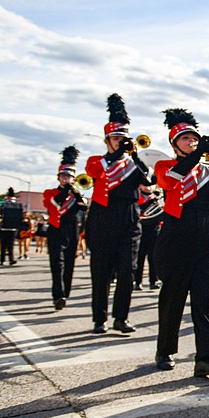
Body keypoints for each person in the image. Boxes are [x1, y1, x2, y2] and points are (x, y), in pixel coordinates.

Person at [153, 108, 209, 376]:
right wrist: (195, 155)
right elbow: (171, 180)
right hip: (175, 237)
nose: (191, 142)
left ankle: (205, 358)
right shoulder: (165, 166)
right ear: (174, 143)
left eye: (194, 138)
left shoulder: (208, 170)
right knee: (173, 298)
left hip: (205, 239)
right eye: (185, 139)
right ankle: (165, 350)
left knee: (204, 301)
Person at [84, 94, 151, 335]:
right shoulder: (98, 161)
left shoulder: (133, 163)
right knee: (101, 271)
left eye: (123, 138)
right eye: (116, 138)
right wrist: (115, 155)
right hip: (103, 217)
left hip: (129, 217)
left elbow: (148, 180)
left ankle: (120, 318)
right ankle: (99, 318)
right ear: (107, 140)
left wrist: (133, 155)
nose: (120, 141)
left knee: (127, 271)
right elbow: (93, 172)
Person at [42, 146, 86, 310]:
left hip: (72, 229)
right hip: (56, 229)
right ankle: (58, 295)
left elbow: (83, 208)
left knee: (69, 263)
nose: (65, 178)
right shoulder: (50, 192)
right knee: (57, 263)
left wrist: (76, 193)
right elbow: (54, 204)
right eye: (63, 176)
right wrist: (66, 191)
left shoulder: (75, 193)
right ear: (58, 177)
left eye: (68, 176)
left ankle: (65, 294)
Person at [135, 186, 161, 291]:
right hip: (141, 229)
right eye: (145, 185)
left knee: (153, 257)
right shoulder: (137, 195)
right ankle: (137, 281)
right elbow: (138, 209)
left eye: (150, 185)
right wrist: (151, 202)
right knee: (140, 257)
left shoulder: (156, 197)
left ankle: (153, 281)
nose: (148, 187)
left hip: (154, 229)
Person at [0, 188, 25, 266]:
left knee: (6, 245)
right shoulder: (8, 206)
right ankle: (7, 259)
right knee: (8, 245)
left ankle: (6, 259)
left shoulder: (4, 206)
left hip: (8, 228)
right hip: (8, 228)